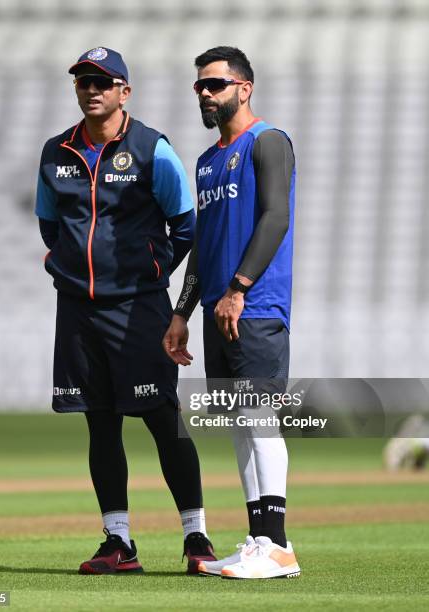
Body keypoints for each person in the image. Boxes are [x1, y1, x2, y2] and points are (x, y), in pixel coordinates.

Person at [35, 47, 216, 575]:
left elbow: (185, 227)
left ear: (124, 92)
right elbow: (50, 226)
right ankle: (118, 542)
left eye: (102, 82)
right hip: (77, 310)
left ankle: (196, 535)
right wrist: (68, 266)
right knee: (100, 423)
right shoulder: (55, 152)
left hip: (138, 309)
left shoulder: (151, 149)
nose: (91, 89)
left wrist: (152, 270)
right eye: (83, 82)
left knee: (163, 418)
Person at [163, 46, 300, 579]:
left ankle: (280, 545)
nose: (205, 92)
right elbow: (203, 245)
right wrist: (181, 311)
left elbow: (275, 217)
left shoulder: (268, 142)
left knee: (260, 419)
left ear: (244, 88)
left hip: (256, 307)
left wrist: (241, 287)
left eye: (215, 84)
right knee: (241, 425)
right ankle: (259, 541)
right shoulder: (206, 161)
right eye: (199, 85)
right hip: (218, 310)